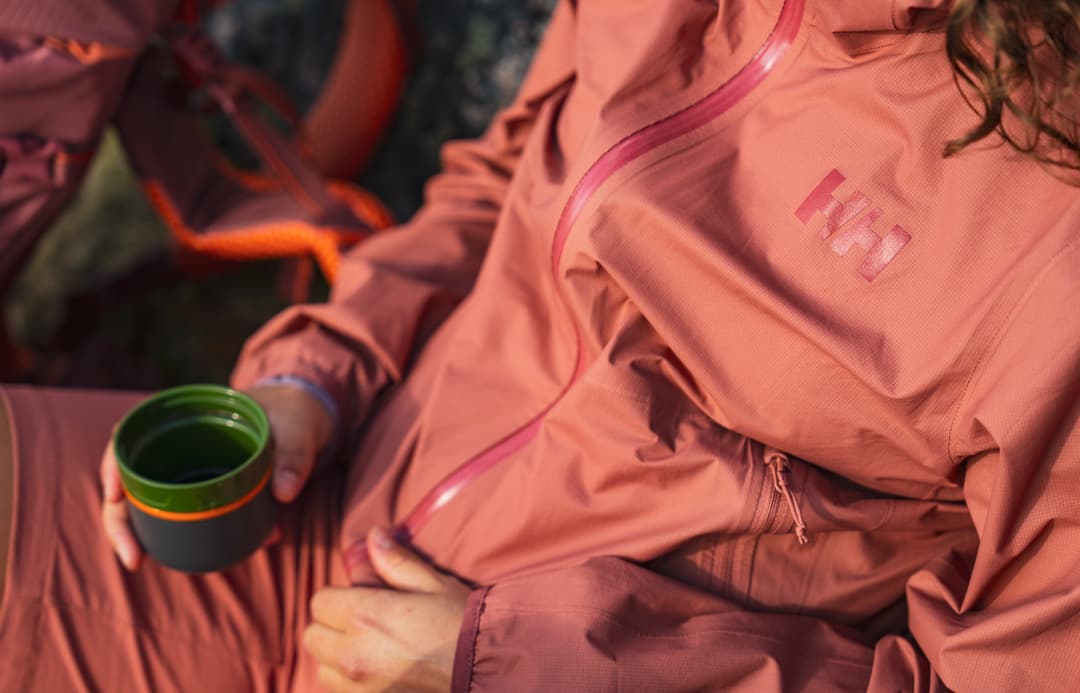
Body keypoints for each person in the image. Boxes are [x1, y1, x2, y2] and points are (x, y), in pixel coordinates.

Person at [2, 0, 1079, 690]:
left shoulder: (1054, 244)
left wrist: (528, 663)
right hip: (330, 503)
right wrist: (316, 379)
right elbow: (498, 183)